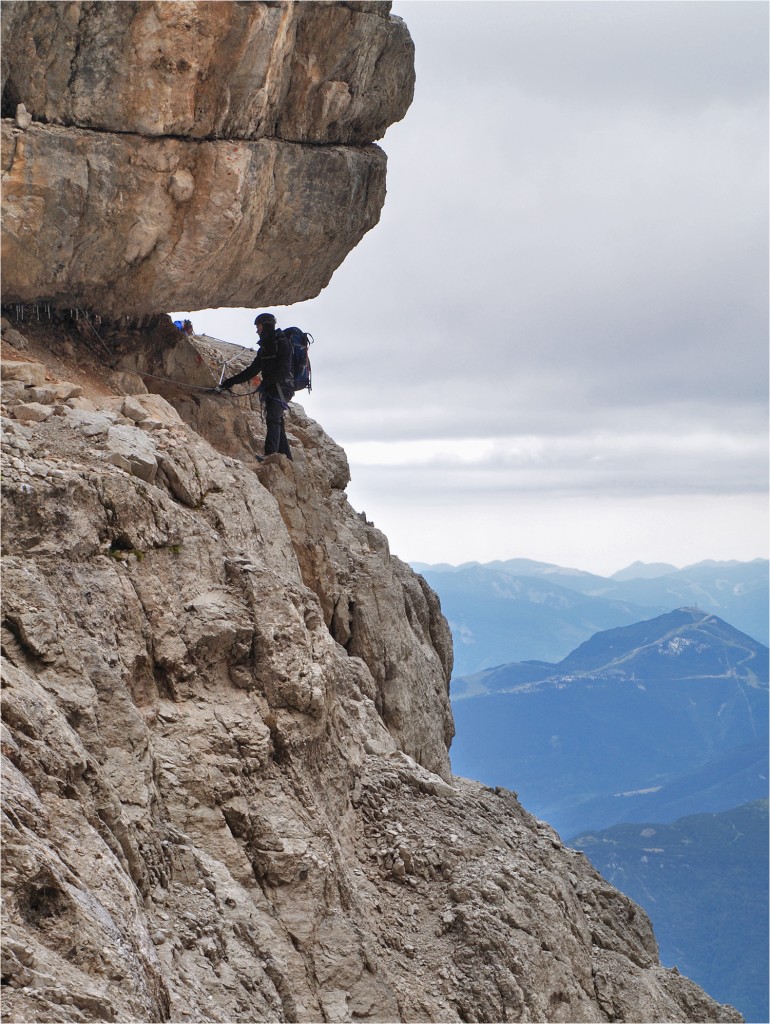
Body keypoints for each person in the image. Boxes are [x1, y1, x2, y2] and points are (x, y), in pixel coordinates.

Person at [219, 312, 294, 460]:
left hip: (282, 388)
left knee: (273, 418)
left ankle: (270, 456)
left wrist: (266, 383)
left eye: (258, 327)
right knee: (277, 420)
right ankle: (286, 458)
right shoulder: (265, 348)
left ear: (265, 326)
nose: (257, 331)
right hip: (273, 388)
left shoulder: (283, 344)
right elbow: (252, 370)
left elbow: (284, 370)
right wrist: (230, 382)